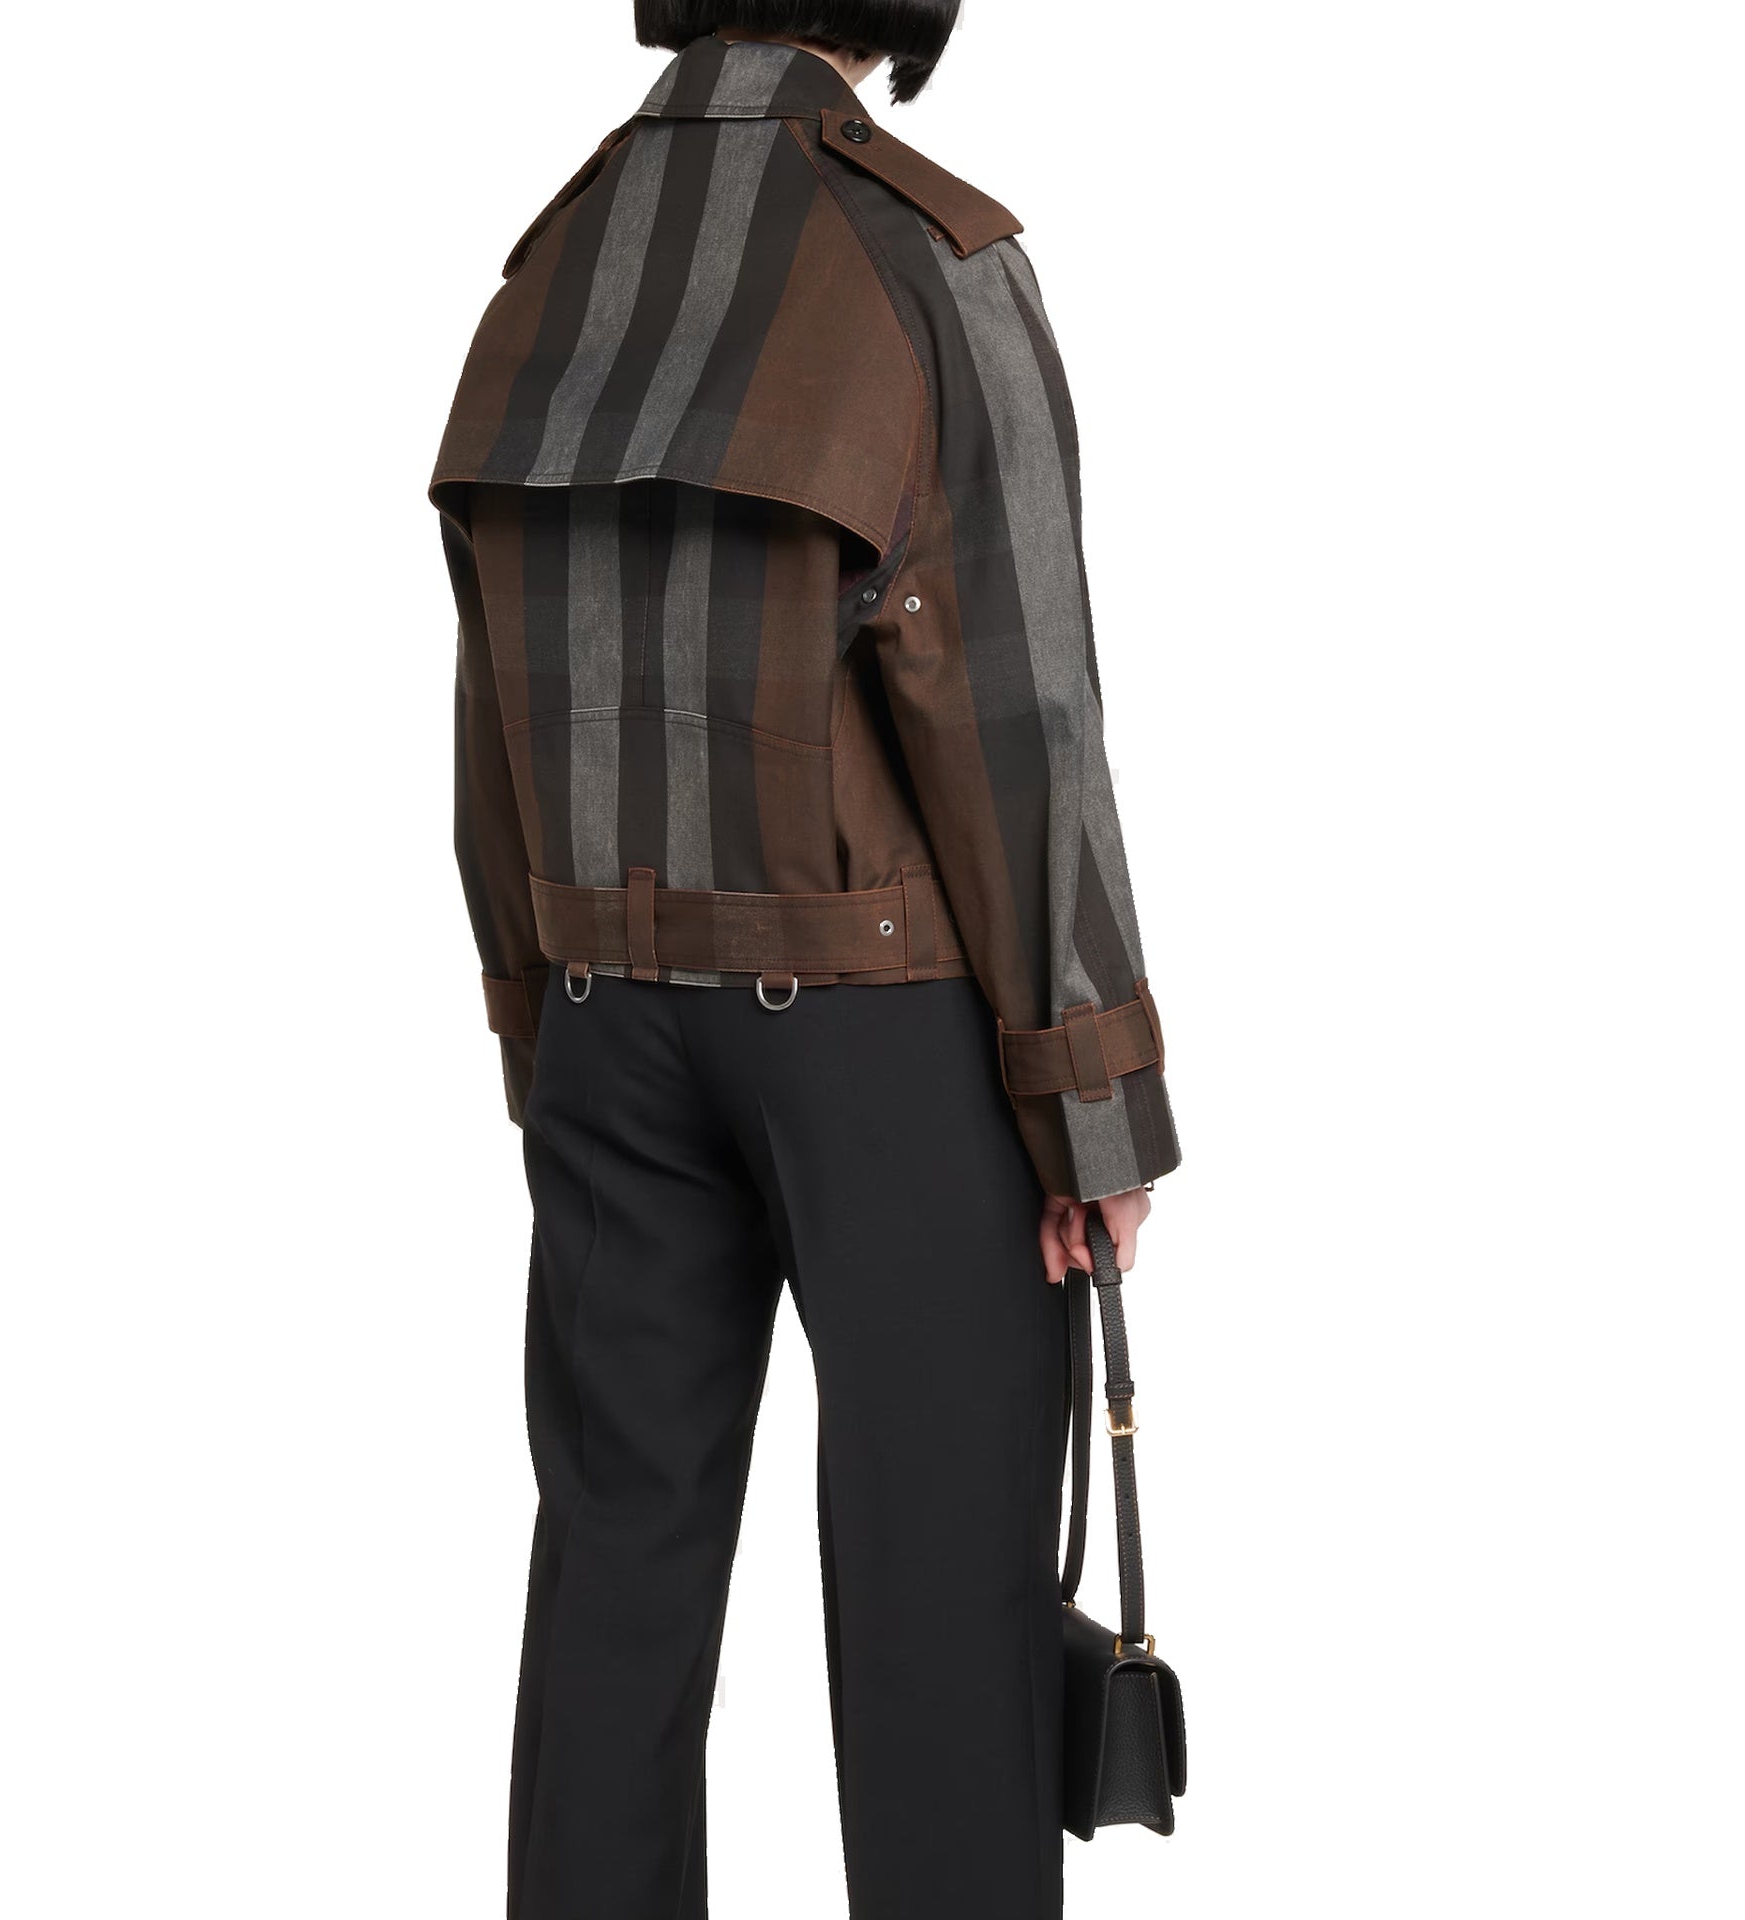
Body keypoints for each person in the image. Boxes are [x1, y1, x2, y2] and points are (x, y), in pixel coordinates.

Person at [429, 4, 1180, 1913]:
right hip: (888, 1037)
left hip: (603, 1018)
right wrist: (1090, 1101)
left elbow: (492, 697)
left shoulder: (550, 260)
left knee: (613, 1585)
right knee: (942, 1607)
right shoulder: (928, 253)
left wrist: (539, 1023)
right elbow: (1016, 713)